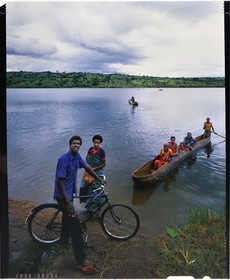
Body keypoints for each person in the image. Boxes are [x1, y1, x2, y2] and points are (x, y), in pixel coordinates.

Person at [53, 135, 106, 274]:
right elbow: (59, 182)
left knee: (67, 220)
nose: (76, 145)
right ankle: (80, 261)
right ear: (70, 145)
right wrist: (68, 202)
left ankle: (62, 242)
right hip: (63, 196)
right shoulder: (64, 160)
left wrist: (99, 179)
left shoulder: (77, 157)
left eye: (78, 144)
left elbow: (87, 167)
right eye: (74, 143)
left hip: (70, 194)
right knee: (76, 225)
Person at [80, 135, 106, 212]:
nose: (96, 144)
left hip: (98, 173)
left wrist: (94, 169)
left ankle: (97, 209)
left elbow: (104, 164)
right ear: (93, 142)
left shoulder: (101, 152)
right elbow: (86, 159)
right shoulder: (90, 150)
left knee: (97, 191)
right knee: (86, 189)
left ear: (100, 143)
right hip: (88, 173)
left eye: (98, 143)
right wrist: (87, 166)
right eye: (95, 142)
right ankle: (89, 208)